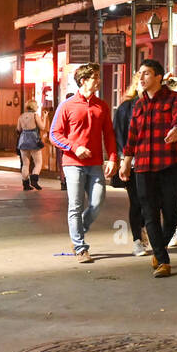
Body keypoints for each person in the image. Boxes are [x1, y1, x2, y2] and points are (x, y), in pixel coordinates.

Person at [119, 59, 177, 277]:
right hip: (143, 167)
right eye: (140, 73)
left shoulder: (175, 98)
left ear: (159, 77)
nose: (141, 78)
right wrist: (126, 161)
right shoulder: (138, 105)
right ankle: (163, 260)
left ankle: (159, 251)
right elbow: (132, 137)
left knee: (171, 213)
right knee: (148, 213)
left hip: (168, 163)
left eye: (146, 73)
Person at [50, 63, 118, 264]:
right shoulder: (67, 105)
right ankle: (80, 247)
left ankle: (78, 230)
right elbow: (54, 134)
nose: (98, 80)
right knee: (75, 205)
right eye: (95, 77)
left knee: (97, 202)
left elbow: (109, 135)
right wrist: (74, 147)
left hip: (96, 163)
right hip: (73, 163)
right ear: (83, 80)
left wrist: (113, 158)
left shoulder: (102, 106)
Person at [113, 83, 148, 257]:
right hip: (133, 161)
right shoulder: (126, 108)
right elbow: (118, 133)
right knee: (136, 201)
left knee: (150, 202)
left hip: (154, 162)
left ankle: (142, 228)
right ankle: (137, 241)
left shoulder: (160, 106)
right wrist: (122, 159)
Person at [16, 100, 44, 192]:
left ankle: (25, 184)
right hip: (33, 140)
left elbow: (18, 129)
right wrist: (45, 117)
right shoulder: (35, 115)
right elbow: (42, 127)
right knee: (38, 162)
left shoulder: (21, 116)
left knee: (25, 164)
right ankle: (34, 179)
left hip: (23, 139)